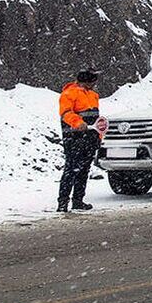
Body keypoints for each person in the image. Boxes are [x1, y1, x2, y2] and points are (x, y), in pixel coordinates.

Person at [58, 69, 102, 212]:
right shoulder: (69, 93)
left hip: (90, 138)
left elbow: (96, 118)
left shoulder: (94, 95)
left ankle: (78, 200)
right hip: (74, 138)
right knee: (71, 170)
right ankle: (63, 203)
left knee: (83, 170)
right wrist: (78, 123)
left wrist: (98, 136)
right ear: (87, 82)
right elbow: (65, 113)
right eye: (93, 81)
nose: (95, 84)